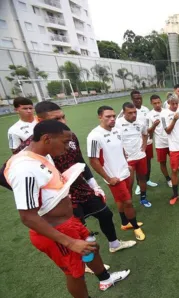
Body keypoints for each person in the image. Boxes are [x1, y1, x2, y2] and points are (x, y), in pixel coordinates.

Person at [4, 120, 130, 298]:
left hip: (69, 223)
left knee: (91, 246)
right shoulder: (24, 168)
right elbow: (27, 217)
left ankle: (105, 279)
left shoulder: (39, 155)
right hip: (56, 232)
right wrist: (70, 243)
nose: (67, 148)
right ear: (47, 138)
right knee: (74, 271)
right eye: (64, 143)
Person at [1, 101, 136, 255]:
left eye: (63, 117)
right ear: (40, 121)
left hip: (80, 186)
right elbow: (5, 173)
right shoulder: (32, 145)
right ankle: (86, 262)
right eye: (56, 119)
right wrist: (43, 195)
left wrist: (93, 184)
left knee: (105, 213)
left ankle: (114, 243)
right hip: (62, 196)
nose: (63, 122)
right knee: (78, 228)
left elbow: (80, 160)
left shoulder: (69, 135)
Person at [87, 106, 146, 241]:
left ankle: (125, 223)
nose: (112, 119)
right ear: (100, 117)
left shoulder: (117, 131)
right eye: (108, 116)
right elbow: (93, 160)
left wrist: (127, 165)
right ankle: (136, 227)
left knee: (121, 200)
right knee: (129, 202)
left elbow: (121, 150)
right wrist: (108, 178)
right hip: (114, 178)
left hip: (125, 171)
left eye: (113, 116)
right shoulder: (95, 136)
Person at [116, 102, 152, 208]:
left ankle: (143, 198)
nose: (133, 115)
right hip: (128, 159)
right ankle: (129, 203)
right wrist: (121, 152)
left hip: (140, 156)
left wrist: (144, 146)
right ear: (124, 113)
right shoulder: (118, 124)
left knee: (142, 178)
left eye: (135, 112)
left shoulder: (140, 122)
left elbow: (145, 134)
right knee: (129, 183)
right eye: (130, 113)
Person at [124, 90, 158, 195]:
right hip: (134, 146)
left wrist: (150, 136)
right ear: (132, 99)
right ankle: (138, 185)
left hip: (147, 141)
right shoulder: (125, 113)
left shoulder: (146, 109)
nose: (138, 100)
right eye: (136, 98)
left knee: (147, 162)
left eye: (140, 98)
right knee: (134, 167)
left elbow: (147, 125)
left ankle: (147, 180)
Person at [147, 95, 173, 188]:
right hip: (160, 144)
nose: (157, 105)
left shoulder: (167, 111)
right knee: (163, 162)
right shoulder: (149, 115)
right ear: (151, 103)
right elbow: (148, 131)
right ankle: (168, 179)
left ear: (161, 102)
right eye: (155, 103)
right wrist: (154, 125)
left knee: (176, 161)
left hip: (171, 141)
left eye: (159, 102)